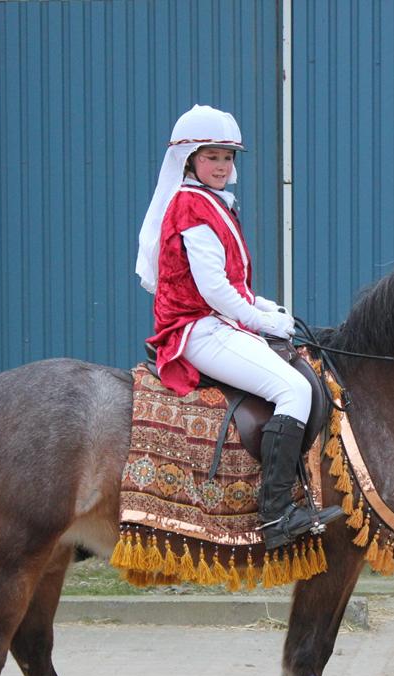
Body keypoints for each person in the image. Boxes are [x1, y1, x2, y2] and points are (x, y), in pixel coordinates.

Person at [135, 104, 338, 551]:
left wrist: (270, 308)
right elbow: (215, 293)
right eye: (213, 157)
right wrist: (264, 321)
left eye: (228, 157)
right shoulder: (191, 206)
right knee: (295, 391)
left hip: (216, 320)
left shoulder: (211, 203)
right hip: (196, 329)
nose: (222, 165)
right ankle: (276, 514)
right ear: (190, 160)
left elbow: (234, 285)